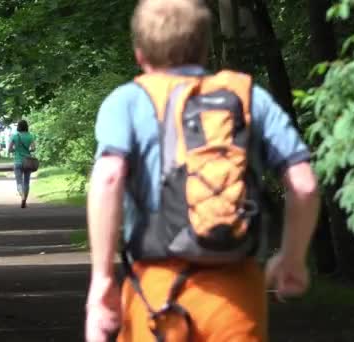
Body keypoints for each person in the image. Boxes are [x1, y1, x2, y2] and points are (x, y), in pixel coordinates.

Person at [84, 1, 321, 341]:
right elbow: (304, 184)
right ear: (205, 47)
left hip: (155, 295)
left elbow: (108, 177)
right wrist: (292, 259)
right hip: (237, 294)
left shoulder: (127, 101)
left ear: (140, 53)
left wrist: (102, 280)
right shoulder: (249, 97)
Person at [8, 120, 36, 208]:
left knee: (19, 182)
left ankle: (22, 196)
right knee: (26, 182)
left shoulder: (15, 136)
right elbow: (33, 148)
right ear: (26, 126)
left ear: (18, 127)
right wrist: (28, 150)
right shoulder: (30, 136)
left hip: (18, 161)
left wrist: (15, 150)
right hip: (27, 161)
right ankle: (24, 200)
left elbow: (9, 149)